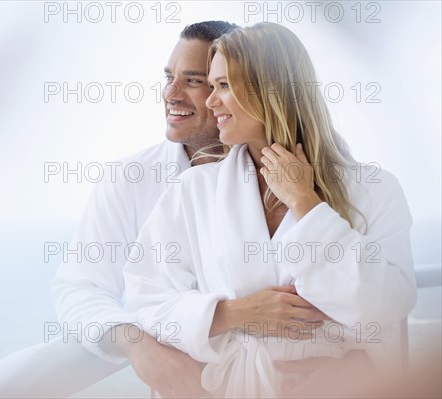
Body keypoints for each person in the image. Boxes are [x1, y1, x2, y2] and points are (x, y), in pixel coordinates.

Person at [0, 21, 239, 398]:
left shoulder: (278, 174)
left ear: (233, 90)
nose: (171, 93)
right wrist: (136, 343)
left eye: (193, 81)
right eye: (168, 77)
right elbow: (81, 286)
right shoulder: (131, 178)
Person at [123, 22, 417, 398]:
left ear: (273, 89)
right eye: (211, 86)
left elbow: (387, 306)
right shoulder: (193, 192)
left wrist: (306, 204)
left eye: (224, 86)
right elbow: (146, 298)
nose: (211, 102)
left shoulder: (373, 190)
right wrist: (233, 313)